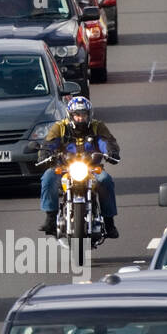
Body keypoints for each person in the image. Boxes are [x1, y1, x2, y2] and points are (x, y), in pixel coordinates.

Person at [38, 96, 121, 237]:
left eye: (84, 114)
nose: (80, 118)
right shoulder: (60, 127)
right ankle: (51, 218)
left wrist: (111, 151)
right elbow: (49, 143)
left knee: (105, 180)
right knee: (47, 178)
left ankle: (109, 222)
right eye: (77, 115)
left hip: (91, 168)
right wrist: (45, 153)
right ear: (70, 115)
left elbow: (106, 142)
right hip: (64, 168)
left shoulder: (97, 126)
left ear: (89, 114)